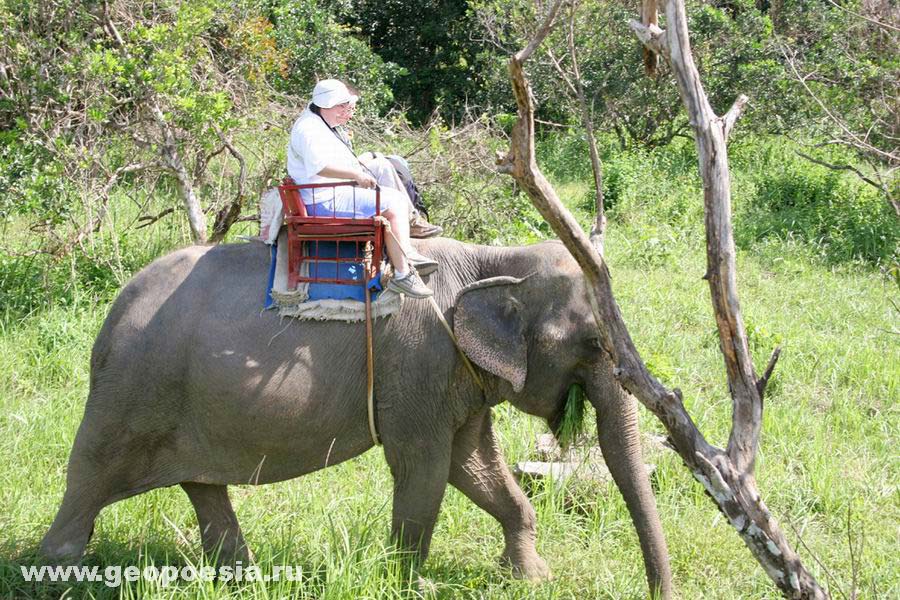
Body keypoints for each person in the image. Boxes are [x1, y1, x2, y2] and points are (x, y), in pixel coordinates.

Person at [287, 79, 437, 299]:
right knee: (394, 202)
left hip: (331, 190)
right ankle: (403, 274)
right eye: (341, 106)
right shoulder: (309, 129)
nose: (345, 111)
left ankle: (406, 230)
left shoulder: (321, 122)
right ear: (325, 105)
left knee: (382, 165)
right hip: (325, 200)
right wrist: (356, 175)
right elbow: (320, 166)